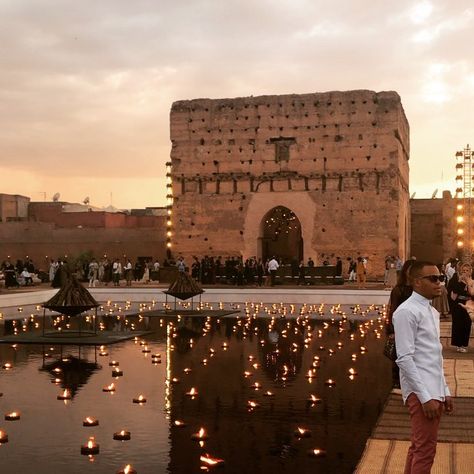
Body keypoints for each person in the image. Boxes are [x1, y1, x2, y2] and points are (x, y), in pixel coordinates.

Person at [393, 260, 453, 473]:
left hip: (432, 388)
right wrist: (425, 397)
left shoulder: (430, 311)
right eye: (434, 279)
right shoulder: (406, 312)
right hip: (422, 391)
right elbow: (404, 358)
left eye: (441, 278)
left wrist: (444, 390)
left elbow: (433, 357)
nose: (440, 283)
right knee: (425, 450)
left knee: (419, 447)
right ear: (417, 282)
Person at [386, 259, 415, 388]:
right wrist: (391, 330)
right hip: (401, 328)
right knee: (400, 355)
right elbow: (392, 311)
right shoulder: (398, 290)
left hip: (414, 328)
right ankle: (397, 382)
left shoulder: (418, 289)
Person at [449, 262, 473, 353]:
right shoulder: (456, 280)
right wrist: (462, 283)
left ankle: (464, 344)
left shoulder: (472, 281)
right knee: (458, 324)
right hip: (459, 304)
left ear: (470, 272)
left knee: (467, 324)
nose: (465, 272)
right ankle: (458, 344)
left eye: (467, 270)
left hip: (469, 304)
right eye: (463, 270)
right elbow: (453, 289)